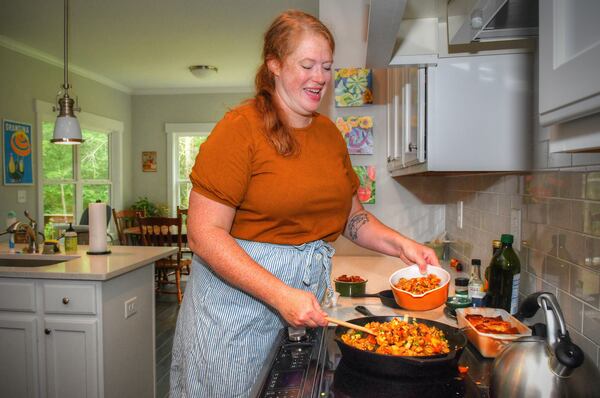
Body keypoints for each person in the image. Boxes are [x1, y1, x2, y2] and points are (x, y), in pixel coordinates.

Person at [169, 9, 439, 397]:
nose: (320, 79)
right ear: (274, 65)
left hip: (302, 304)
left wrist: (403, 246)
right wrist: (280, 294)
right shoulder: (240, 128)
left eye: (327, 67)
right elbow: (203, 234)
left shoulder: (330, 135)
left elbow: (353, 219)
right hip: (232, 314)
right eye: (307, 65)